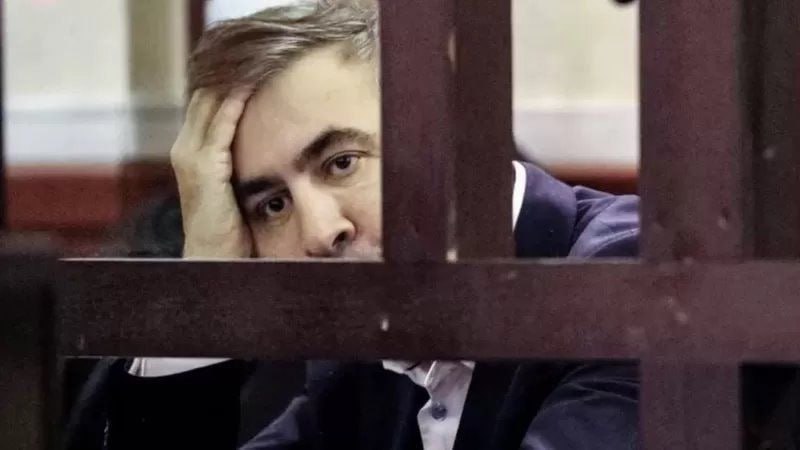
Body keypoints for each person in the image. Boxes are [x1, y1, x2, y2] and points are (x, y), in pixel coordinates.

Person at [65, 1, 641, 449]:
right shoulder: (362, 358)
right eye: (272, 205)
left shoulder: (624, 278)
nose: (319, 233)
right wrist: (204, 282)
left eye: (341, 163)